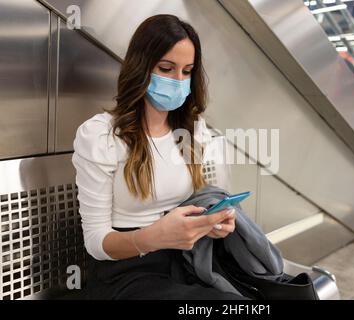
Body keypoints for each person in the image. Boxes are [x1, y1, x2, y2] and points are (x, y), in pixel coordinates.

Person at [72, 14, 248, 300]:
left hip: (187, 263)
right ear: (141, 67)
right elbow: (96, 243)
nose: (178, 81)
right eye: (166, 68)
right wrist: (153, 237)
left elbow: (196, 204)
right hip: (127, 274)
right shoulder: (100, 135)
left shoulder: (193, 130)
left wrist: (211, 225)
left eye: (187, 71)